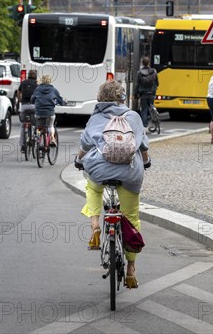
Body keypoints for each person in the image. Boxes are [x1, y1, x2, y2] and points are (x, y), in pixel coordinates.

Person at [75, 80, 150, 289]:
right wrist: (145, 162)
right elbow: (143, 145)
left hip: (100, 169)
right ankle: (131, 270)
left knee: (93, 186)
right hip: (129, 171)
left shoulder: (96, 117)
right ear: (122, 98)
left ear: (100, 98)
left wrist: (79, 160)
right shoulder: (133, 117)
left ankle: (95, 223)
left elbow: (85, 144)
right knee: (132, 217)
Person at [30, 75, 66, 146]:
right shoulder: (53, 89)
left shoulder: (37, 89)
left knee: (39, 126)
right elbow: (60, 100)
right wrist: (64, 102)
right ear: (49, 81)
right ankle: (52, 138)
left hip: (38, 112)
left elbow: (32, 99)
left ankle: (37, 138)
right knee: (50, 126)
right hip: (49, 112)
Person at [135, 56, 159, 128]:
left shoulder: (139, 72)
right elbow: (157, 83)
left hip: (143, 93)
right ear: (149, 63)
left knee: (144, 109)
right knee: (151, 105)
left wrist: (136, 93)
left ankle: (144, 125)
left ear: (142, 63)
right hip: (152, 92)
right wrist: (155, 87)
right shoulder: (154, 71)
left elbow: (137, 84)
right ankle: (154, 118)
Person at [17, 70, 38, 152]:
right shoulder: (37, 84)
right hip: (34, 106)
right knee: (35, 123)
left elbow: (19, 92)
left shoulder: (23, 83)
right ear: (35, 76)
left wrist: (20, 100)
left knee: (23, 125)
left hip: (24, 106)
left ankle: (22, 145)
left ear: (28, 76)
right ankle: (34, 137)